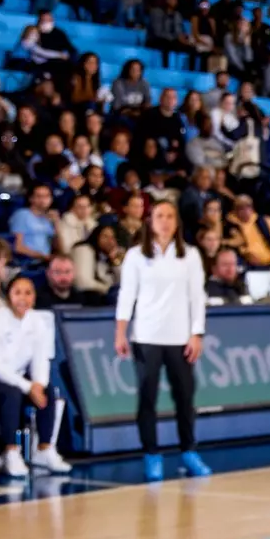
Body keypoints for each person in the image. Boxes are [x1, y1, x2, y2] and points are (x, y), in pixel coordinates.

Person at [114, 200, 208, 481]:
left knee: (185, 398)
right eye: (159, 216)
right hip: (146, 337)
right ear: (149, 221)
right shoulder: (135, 256)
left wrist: (196, 333)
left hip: (181, 338)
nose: (164, 221)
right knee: (147, 398)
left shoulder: (190, 255)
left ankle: (189, 451)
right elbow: (126, 295)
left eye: (169, 216)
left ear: (176, 222)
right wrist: (121, 331)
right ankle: (151, 454)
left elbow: (196, 297)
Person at [0, 275, 71, 476]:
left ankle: (45, 449)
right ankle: (11, 452)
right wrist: (28, 387)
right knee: (10, 393)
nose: (23, 298)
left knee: (49, 390)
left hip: (15, 378)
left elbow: (41, 358)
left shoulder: (38, 321)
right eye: (17, 293)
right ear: (8, 296)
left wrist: (38, 384)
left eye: (28, 293)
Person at [9, 183, 59, 260]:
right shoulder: (22, 214)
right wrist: (43, 256)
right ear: (31, 198)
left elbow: (56, 245)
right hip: (27, 261)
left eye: (47, 196)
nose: (43, 200)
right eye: (39, 196)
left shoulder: (49, 218)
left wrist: (56, 223)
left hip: (44, 261)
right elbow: (17, 246)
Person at [73, 223, 121, 296]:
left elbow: (123, 283)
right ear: (96, 237)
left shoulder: (110, 256)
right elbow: (83, 282)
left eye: (112, 237)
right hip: (87, 297)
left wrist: (115, 262)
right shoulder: (84, 249)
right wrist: (109, 290)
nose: (110, 241)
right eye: (105, 236)